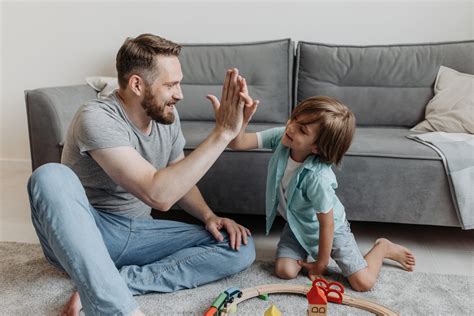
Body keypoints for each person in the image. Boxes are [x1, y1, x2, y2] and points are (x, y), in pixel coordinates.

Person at [27, 33, 257, 316]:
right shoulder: (96, 117)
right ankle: (117, 308)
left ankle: (115, 283)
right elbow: (158, 195)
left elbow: (177, 178)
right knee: (49, 176)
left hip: (140, 233)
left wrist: (210, 216)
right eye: (171, 84)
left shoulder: (166, 116)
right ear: (137, 84)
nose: (180, 94)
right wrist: (222, 134)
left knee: (240, 247)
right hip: (90, 232)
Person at [223, 95, 416, 292]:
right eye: (294, 119)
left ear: (317, 147)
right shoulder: (282, 137)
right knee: (285, 271)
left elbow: (327, 224)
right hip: (298, 224)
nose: (291, 127)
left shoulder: (318, 178)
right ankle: (305, 249)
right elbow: (237, 143)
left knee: (363, 283)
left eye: (302, 130)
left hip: (332, 230)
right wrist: (243, 118)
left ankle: (383, 247)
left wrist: (321, 263)